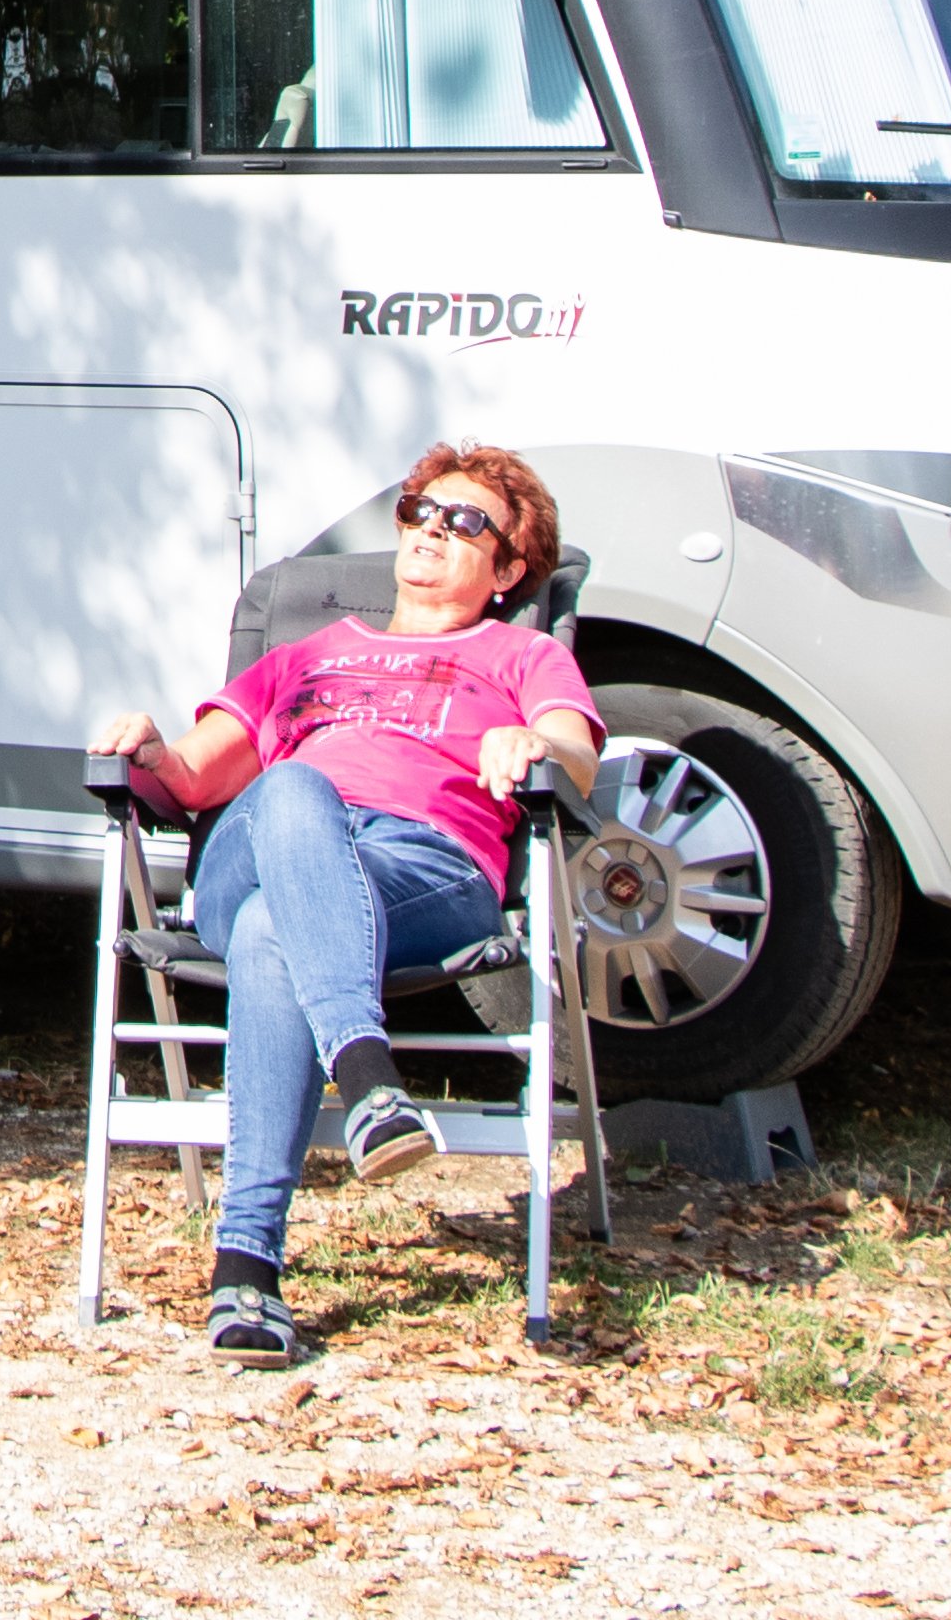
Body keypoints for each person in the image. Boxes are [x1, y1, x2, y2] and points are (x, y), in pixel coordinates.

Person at [89, 441, 604, 1364]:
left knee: (266, 929)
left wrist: (533, 744)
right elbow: (202, 779)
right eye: (421, 514)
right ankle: (366, 1077)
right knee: (294, 795)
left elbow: (576, 753)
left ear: (511, 569)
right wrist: (151, 750)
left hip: (426, 871)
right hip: (268, 842)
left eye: (466, 522)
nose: (433, 532)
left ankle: (246, 1267)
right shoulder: (308, 657)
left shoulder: (522, 654)